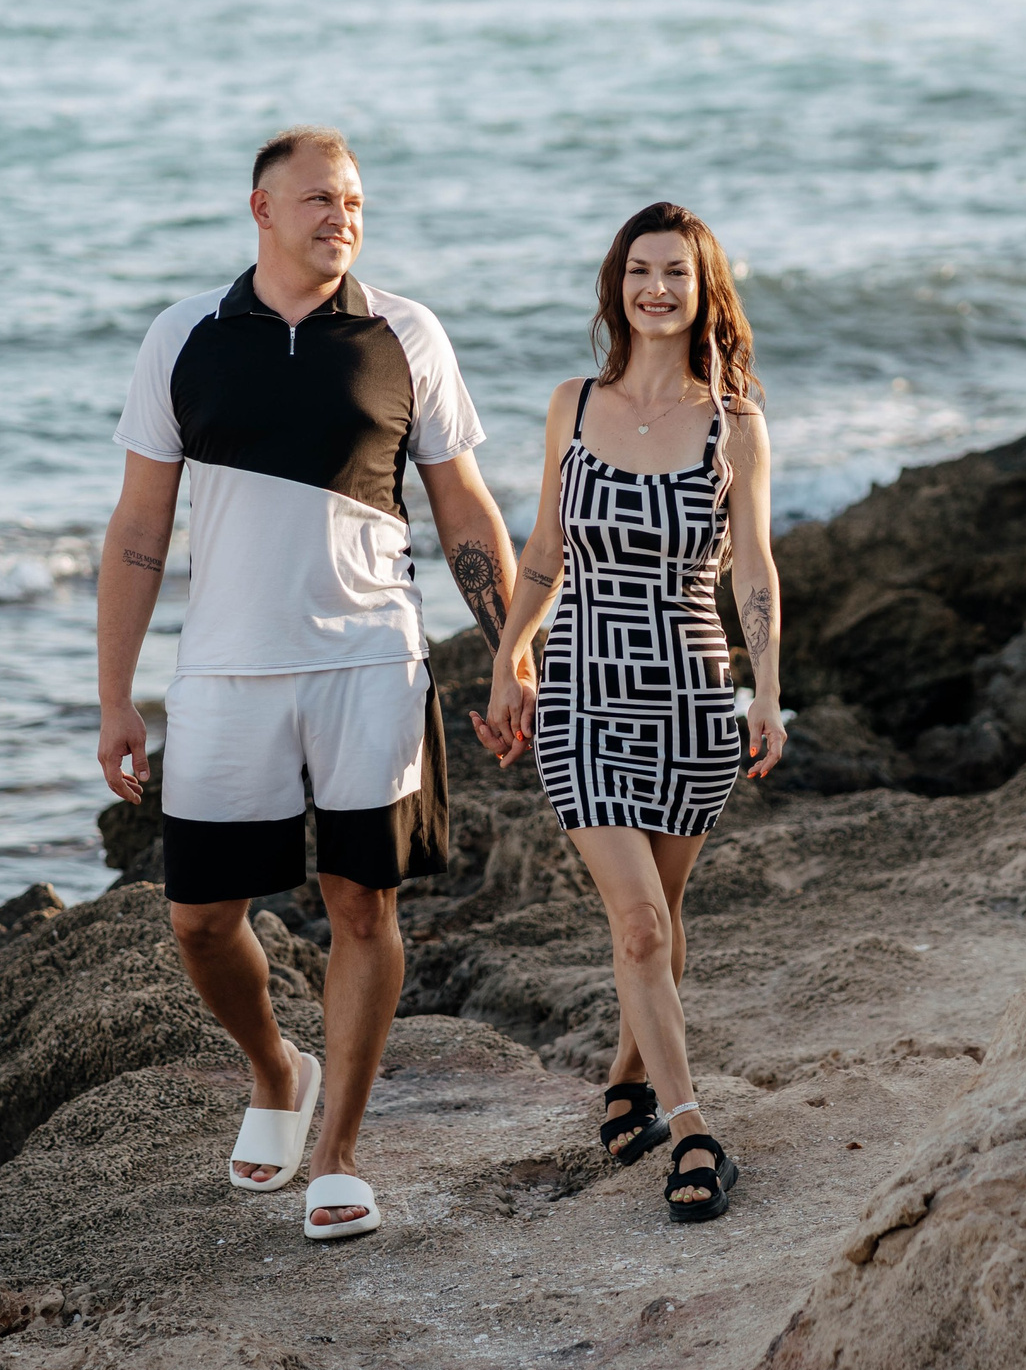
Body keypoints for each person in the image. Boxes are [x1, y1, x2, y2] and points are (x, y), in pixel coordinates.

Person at [96, 127, 520, 1242]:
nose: (344, 216)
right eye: (322, 199)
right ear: (260, 208)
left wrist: (513, 651)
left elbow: (464, 510)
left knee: (359, 904)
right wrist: (115, 695)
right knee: (198, 919)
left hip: (370, 662)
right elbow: (139, 529)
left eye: (357, 202)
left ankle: (338, 1150)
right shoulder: (183, 335)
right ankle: (274, 1069)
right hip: (227, 670)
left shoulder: (404, 333)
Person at [472, 202, 787, 1224]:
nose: (656, 287)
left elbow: (755, 573)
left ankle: (626, 1078)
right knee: (640, 922)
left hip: (693, 695)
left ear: (704, 292)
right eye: (639, 270)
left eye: (676, 273)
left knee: (660, 923)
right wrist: (508, 658)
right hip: (581, 693)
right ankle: (690, 1127)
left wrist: (768, 691)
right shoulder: (572, 403)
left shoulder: (734, 423)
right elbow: (543, 554)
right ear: (616, 286)